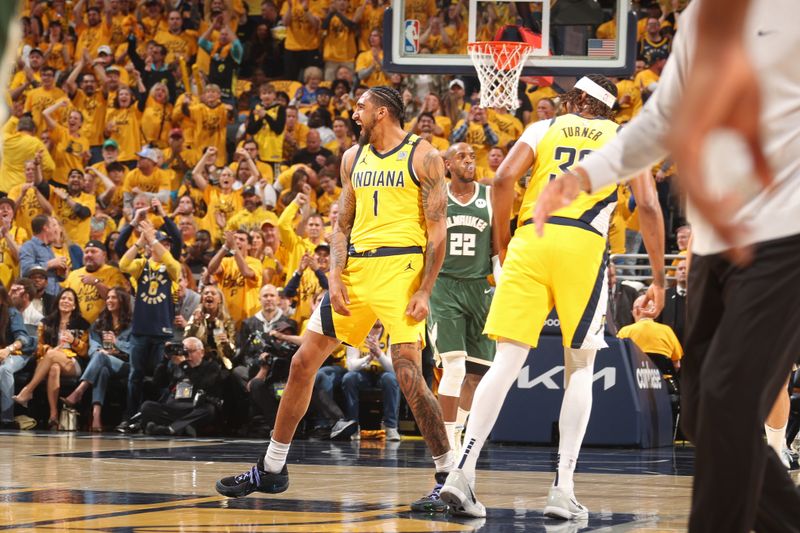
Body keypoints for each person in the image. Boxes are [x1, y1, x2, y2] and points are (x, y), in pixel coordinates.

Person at [532, 2, 800, 530]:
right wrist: (583, 177)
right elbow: (663, 118)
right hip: (712, 245)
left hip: (783, 239)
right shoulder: (702, 15)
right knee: (702, 410)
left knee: (726, 398)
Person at [215, 86, 452, 513]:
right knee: (302, 363)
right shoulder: (351, 158)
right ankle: (271, 468)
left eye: (360, 107)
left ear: (381, 111)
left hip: (402, 269)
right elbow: (341, 227)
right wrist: (335, 277)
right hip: (356, 271)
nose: (353, 113)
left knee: (407, 373)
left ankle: (449, 479)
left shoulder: (425, 156)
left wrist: (424, 289)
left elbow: (438, 233)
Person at [440, 76, 666, 520]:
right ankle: (562, 489)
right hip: (580, 247)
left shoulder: (545, 127)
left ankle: (460, 474)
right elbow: (651, 207)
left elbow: (504, 177)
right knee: (580, 365)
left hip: (529, 240)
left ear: (580, 99)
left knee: (506, 361)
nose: (561, 98)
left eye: (569, 94)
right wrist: (657, 278)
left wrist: (502, 243)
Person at [429, 142, 496, 457]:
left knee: (477, 373)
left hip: (480, 289)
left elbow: (498, 247)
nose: (469, 161)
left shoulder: (490, 196)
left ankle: (460, 431)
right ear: (447, 164)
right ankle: (448, 441)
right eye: (462, 157)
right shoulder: (437, 197)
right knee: (454, 367)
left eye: (472, 157)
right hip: (444, 287)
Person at [118, 220, 181, 427]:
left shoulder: (172, 268)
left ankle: (157, 417)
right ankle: (130, 416)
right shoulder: (142, 264)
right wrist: (140, 241)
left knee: (161, 377)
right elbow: (123, 265)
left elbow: (174, 265)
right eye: (164, 243)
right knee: (134, 377)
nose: (166, 247)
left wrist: (152, 239)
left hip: (162, 331)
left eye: (167, 244)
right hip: (140, 330)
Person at [13, 288, 90, 430]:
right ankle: (53, 415)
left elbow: (85, 352)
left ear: (74, 305)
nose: (65, 301)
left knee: (51, 356)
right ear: (58, 301)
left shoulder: (82, 324)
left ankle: (28, 390)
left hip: (74, 363)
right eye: (63, 298)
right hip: (51, 362)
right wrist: (49, 349)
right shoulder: (47, 322)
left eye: (69, 299)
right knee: (54, 367)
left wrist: (74, 341)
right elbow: (39, 348)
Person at [61, 286, 132, 432]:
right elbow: (92, 347)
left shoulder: (133, 324)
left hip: (125, 364)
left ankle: (79, 391)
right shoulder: (100, 322)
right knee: (102, 369)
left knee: (101, 358)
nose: (109, 300)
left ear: (122, 301)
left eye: (113, 297)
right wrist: (101, 351)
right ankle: (96, 416)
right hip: (103, 361)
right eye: (108, 297)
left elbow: (136, 349)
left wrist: (116, 343)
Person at [141, 337, 224, 437]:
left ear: (201, 352)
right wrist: (165, 360)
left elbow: (202, 385)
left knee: (209, 410)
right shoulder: (177, 366)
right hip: (174, 409)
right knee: (147, 406)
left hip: (194, 410)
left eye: (190, 351)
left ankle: (170, 429)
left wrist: (184, 365)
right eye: (184, 351)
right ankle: (182, 427)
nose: (186, 355)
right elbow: (158, 383)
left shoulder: (211, 366)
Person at [61, 239, 127, 323]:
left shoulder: (113, 272)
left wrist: (96, 282)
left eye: (93, 252)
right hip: (77, 326)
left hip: (104, 325)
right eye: (86, 252)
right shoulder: (74, 274)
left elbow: (117, 300)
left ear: (104, 255)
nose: (89, 255)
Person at [0, 286, 35, 430]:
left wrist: (8, 349)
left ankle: (6, 419)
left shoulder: (12, 314)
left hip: (18, 353)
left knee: (4, 369)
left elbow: (23, 338)